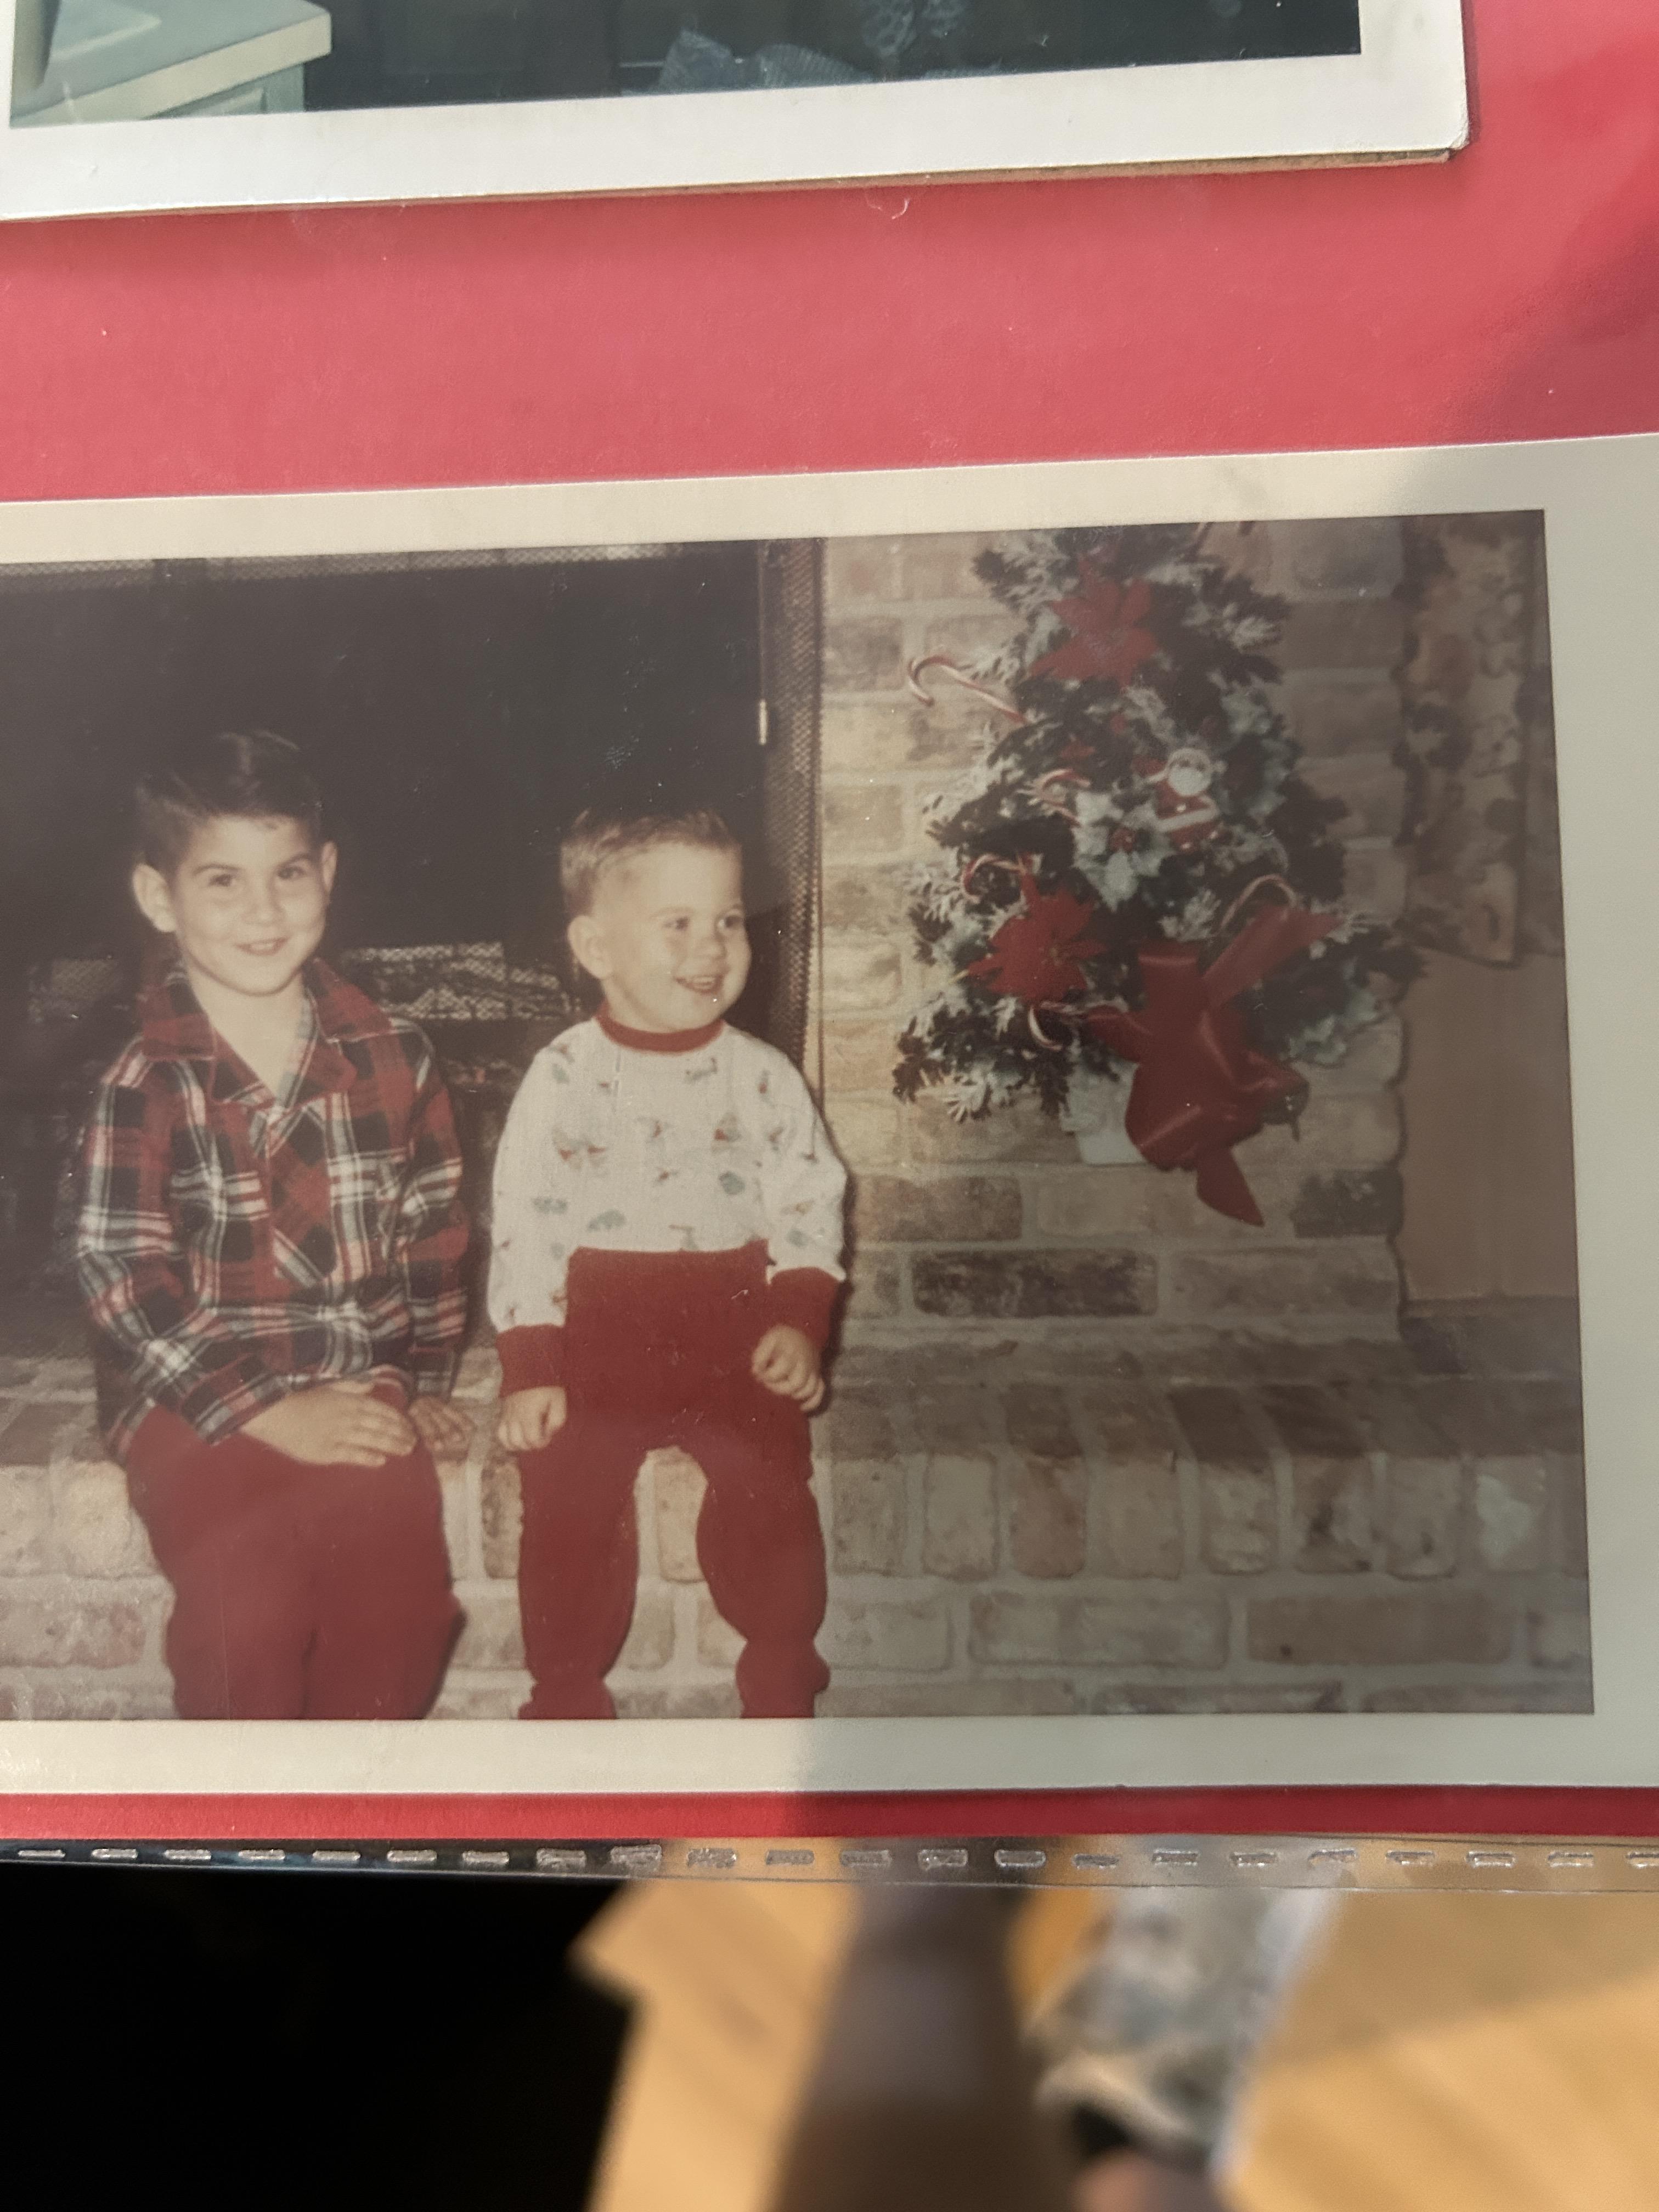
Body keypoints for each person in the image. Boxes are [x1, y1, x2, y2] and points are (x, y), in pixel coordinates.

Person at [76, 730, 471, 1720]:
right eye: (222, 882)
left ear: (326, 874)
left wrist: (415, 1376)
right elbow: (121, 1273)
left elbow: (434, 1228)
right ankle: (243, 1821)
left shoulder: (397, 1055)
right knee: (243, 1609)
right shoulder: (146, 1081)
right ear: (159, 898)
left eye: (288, 874)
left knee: (401, 1611)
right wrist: (267, 1412)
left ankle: (347, 1822)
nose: (264, 911)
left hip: (350, 1376)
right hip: (193, 1401)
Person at [489, 806, 845, 1719]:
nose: (713, 946)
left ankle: (780, 1658)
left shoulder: (763, 1075)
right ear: (595, 947)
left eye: (728, 919)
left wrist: (798, 1322)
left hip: (734, 1330)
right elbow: (525, 1219)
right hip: (600, 1339)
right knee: (565, 1497)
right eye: (678, 924)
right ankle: (565, 1691)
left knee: (771, 1477)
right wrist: (532, 1363)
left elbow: (810, 1197)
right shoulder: (562, 1076)